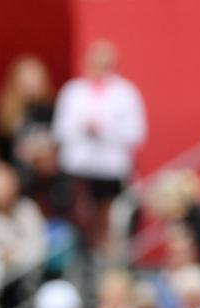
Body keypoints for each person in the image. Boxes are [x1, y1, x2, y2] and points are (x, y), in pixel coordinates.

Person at [51, 40, 146, 250]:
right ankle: (81, 251)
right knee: (79, 215)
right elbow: (60, 129)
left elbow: (136, 133)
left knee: (109, 216)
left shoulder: (126, 93)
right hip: (77, 167)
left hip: (110, 169)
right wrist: (83, 128)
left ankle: (105, 251)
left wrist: (104, 130)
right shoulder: (72, 91)